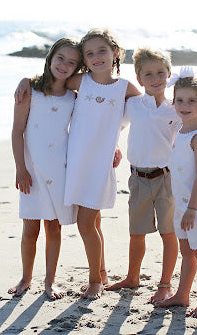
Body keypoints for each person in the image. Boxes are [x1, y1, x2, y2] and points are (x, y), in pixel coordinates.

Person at [15, 28, 140, 299]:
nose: (96, 57)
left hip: (98, 164)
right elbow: (50, 83)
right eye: (90, 53)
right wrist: (25, 79)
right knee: (92, 222)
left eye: (102, 51)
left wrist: (118, 140)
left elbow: (142, 112)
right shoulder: (79, 84)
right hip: (74, 164)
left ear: (115, 53)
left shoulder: (124, 87)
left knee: (86, 224)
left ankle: (95, 279)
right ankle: (102, 272)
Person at [106, 49, 197, 304]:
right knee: (136, 232)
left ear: (169, 75)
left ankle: (164, 284)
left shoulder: (175, 108)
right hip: (138, 177)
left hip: (169, 179)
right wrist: (114, 148)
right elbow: (115, 125)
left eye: (161, 73)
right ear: (139, 78)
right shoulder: (133, 105)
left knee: (169, 233)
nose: (155, 78)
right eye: (148, 74)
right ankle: (132, 277)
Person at [9, 37, 82, 300]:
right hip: (31, 171)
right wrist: (21, 169)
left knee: (54, 228)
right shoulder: (30, 90)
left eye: (72, 62)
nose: (64, 65)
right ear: (51, 56)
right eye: (60, 58)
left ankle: (50, 282)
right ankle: (26, 277)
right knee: (30, 229)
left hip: (59, 171)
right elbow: (17, 132)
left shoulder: (74, 98)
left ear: (77, 68)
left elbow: (85, 129)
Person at [155, 68, 197, 318]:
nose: (185, 105)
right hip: (181, 203)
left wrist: (193, 210)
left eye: (192, 100)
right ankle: (182, 295)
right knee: (186, 252)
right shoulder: (181, 132)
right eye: (180, 100)